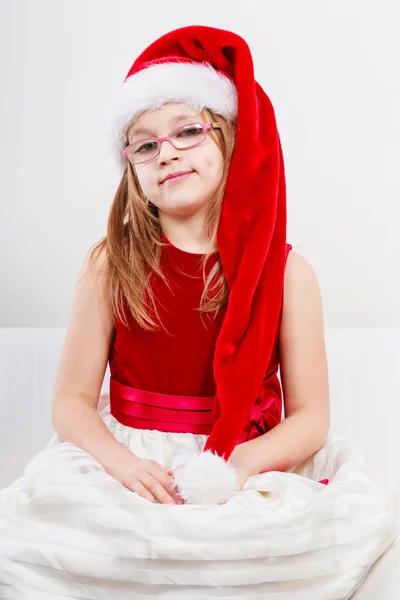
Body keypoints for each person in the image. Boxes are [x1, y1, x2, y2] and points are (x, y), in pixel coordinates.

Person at [0, 24, 398, 599]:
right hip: (132, 456)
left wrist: (237, 467)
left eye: (187, 131)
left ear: (230, 141)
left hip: (240, 458)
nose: (168, 152)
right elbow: (71, 401)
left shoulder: (287, 274)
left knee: (302, 544)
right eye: (145, 144)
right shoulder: (111, 265)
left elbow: (311, 417)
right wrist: (120, 463)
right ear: (133, 171)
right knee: (80, 543)